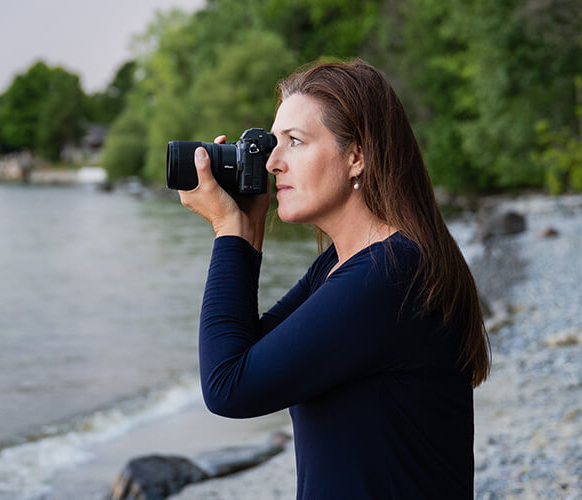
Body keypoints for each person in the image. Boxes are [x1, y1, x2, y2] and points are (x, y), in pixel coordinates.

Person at [177, 59, 491, 499]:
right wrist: (247, 232)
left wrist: (228, 233)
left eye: (295, 142)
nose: (272, 163)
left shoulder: (390, 276)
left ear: (356, 156)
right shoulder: (341, 265)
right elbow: (249, 353)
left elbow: (228, 387)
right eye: (272, 143)